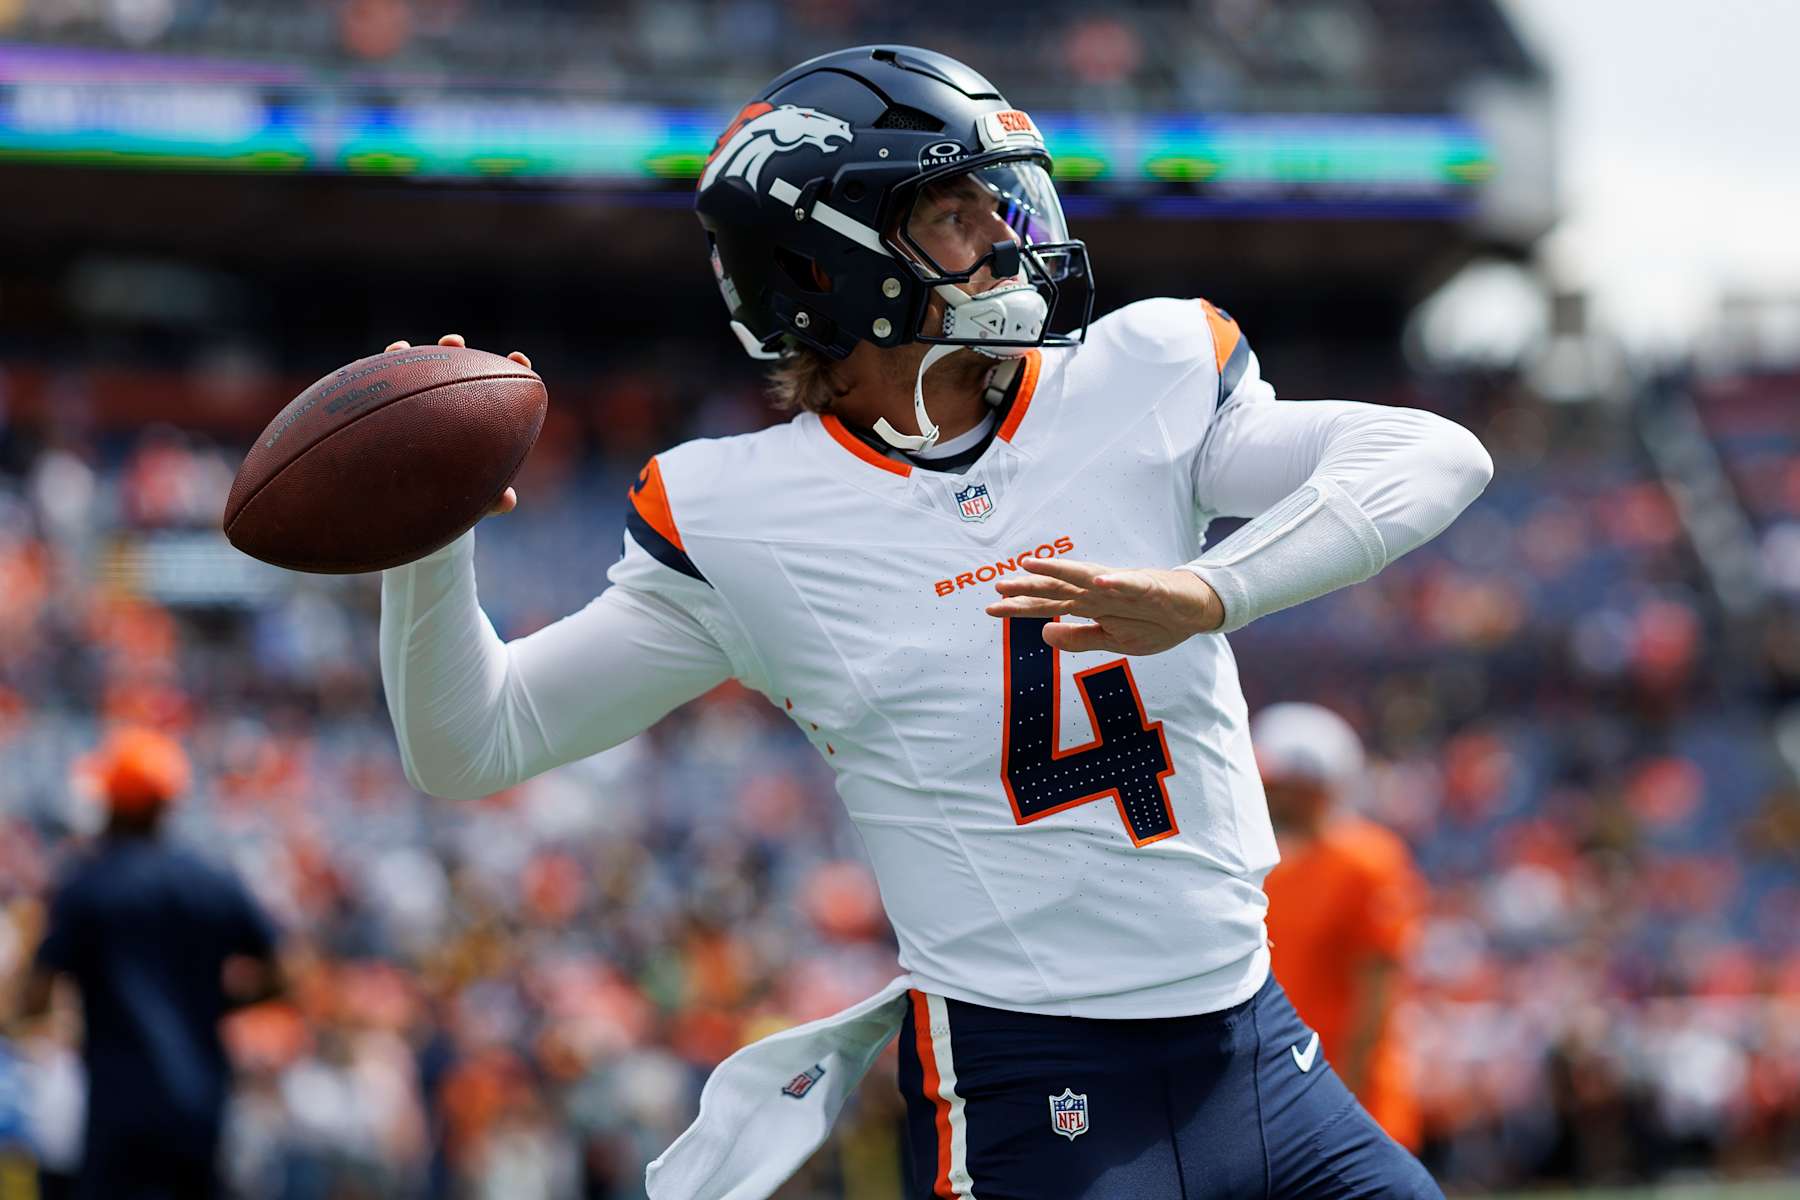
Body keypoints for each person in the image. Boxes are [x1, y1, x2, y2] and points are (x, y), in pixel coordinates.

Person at [378, 45, 1492, 1199]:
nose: (1007, 237)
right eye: (955, 214)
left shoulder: (1140, 376)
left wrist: (1212, 593)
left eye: (995, 200)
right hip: (1034, 1087)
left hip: (1257, 1050)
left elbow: (1432, 452)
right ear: (829, 265)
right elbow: (474, 743)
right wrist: (422, 538)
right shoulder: (741, 514)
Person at [9, 726, 284, 1200]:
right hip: (201, 1097)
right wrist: (217, 1003)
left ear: (110, 805)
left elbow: (35, 995)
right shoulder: (211, 882)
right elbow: (285, 971)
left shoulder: (87, 887)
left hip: (116, 1104)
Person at [1257, 702, 1428, 1153]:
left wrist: (1339, 1104)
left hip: (1348, 1099)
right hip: (1287, 1094)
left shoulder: (1367, 861)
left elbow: (1377, 994)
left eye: (1276, 784)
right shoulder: (1270, 865)